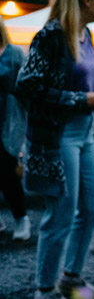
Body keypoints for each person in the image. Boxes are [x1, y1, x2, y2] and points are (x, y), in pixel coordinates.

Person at [16, 0, 94, 298]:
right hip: (58, 138)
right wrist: (81, 98)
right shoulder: (51, 36)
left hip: (86, 133)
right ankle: (45, 290)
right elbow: (27, 85)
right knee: (60, 214)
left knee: (92, 207)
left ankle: (70, 277)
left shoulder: (86, 35)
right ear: (86, 0)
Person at [0, 15, 30, 241]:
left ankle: (21, 218)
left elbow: (26, 87)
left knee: (7, 171)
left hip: (9, 120)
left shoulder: (15, 54)